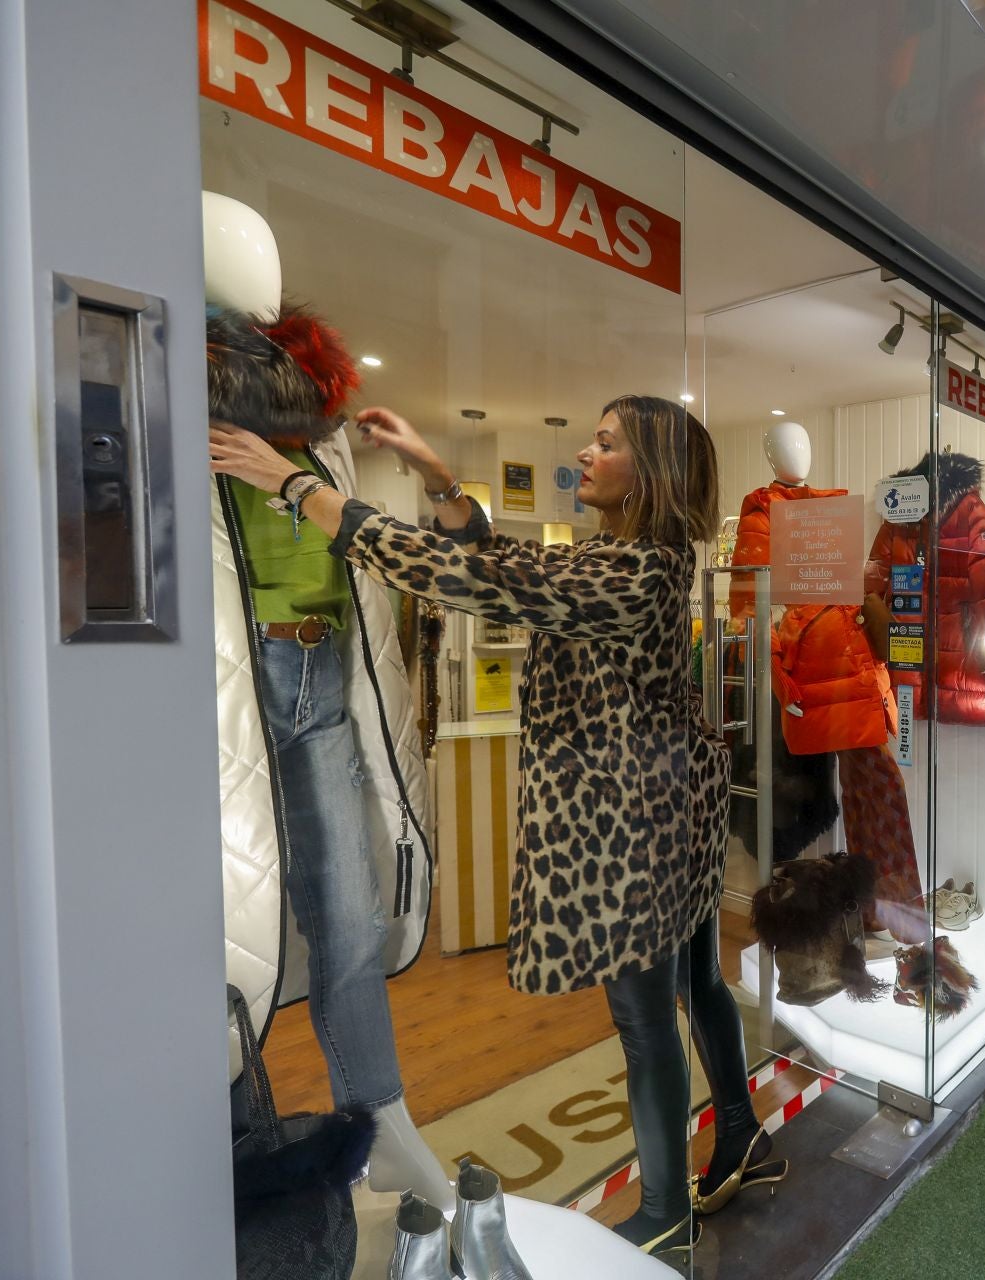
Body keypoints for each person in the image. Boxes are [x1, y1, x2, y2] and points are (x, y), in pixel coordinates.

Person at [212, 397, 776, 1256]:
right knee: (695, 985)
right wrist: (442, 481)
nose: (587, 453)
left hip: (633, 826)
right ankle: (743, 1139)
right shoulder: (634, 558)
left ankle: (667, 1217)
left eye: (607, 443)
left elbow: (483, 580)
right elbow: (512, 564)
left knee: (645, 1017)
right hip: (674, 808)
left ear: (650, 473)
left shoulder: (636, 571)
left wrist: (297, 487)